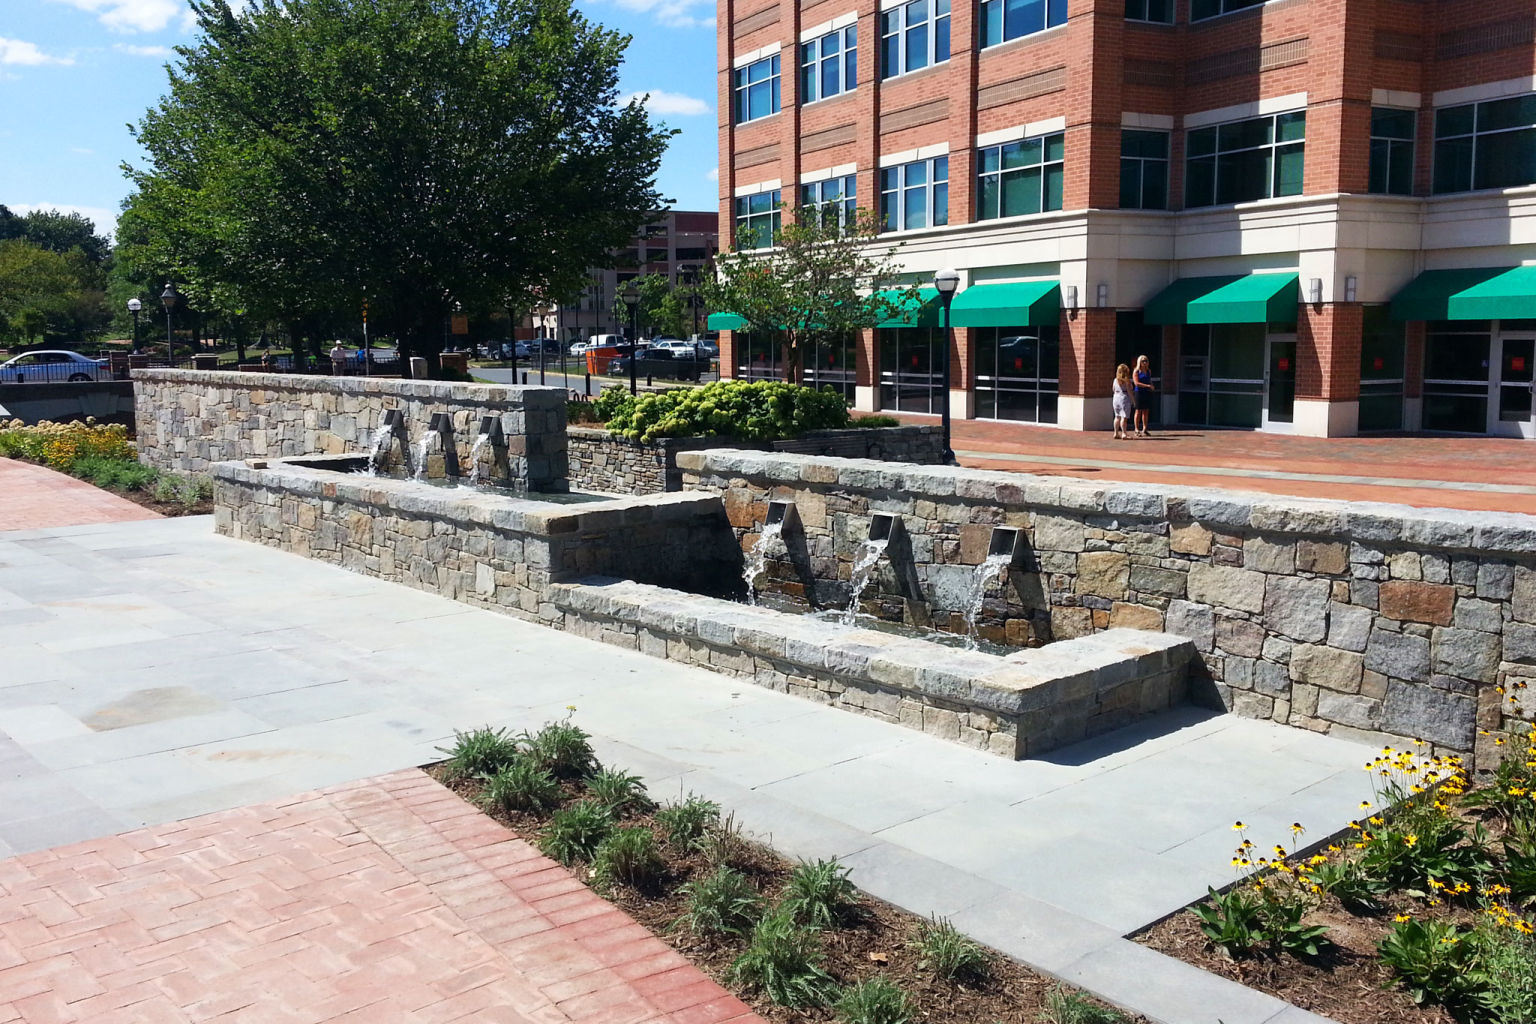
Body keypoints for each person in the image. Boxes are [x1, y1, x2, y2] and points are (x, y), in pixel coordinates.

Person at [1133, 354, 1156, 437]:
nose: (1145, 362)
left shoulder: (1148, 371)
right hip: (1139, 392)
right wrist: (1147, 386)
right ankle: (1136, 429)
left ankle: (1145, 428)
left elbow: (1149, 380)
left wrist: (1151, 385)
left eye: (1146, 360)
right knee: (1138, 411)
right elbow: (1136, 383)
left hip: (1147, 392)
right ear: (1139, 362)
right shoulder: (1136, 371)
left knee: (1146, 411)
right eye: (1143, 361)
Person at [1112, 363, 1133, 440]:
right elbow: (1130, 391)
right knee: (1124, 417)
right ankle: (1124, 433)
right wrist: (1133, 401)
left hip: (1116, 398)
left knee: (1117, 416)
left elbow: (1113, 389)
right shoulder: (1127, 381)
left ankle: (1116, 432)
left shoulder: (1115, 380)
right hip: (1124, 398)